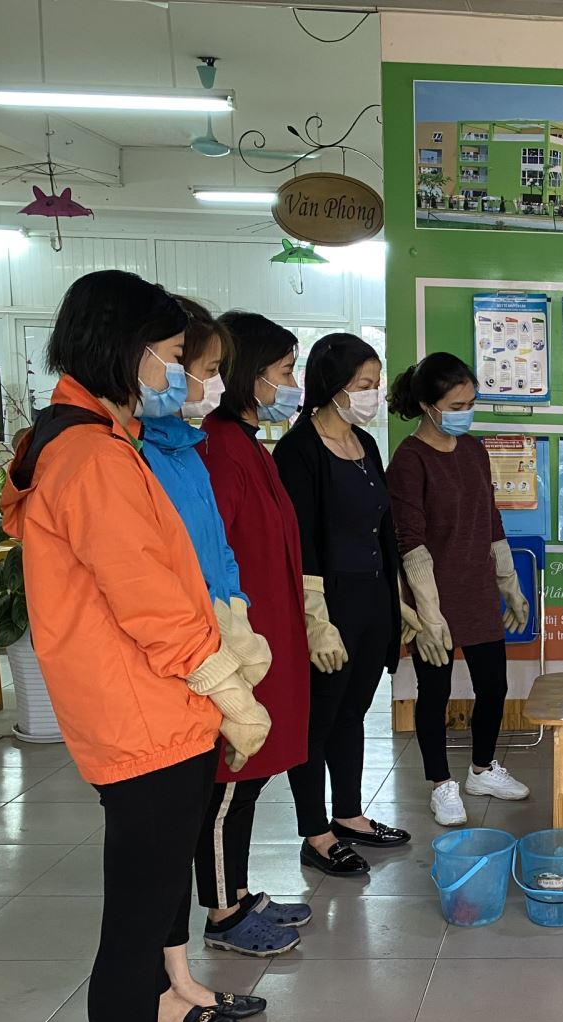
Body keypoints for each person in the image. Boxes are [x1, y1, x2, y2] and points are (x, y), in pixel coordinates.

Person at [0, 270, 256, 1022]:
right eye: (172, 355)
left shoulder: (98, 439)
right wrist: (227, 684)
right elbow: (149, 599)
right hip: (141, 715)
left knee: (153, 912)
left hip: (154, 710)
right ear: (125, 348)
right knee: (134, 926)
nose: (177, 373)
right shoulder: (90, 458)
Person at [136, 298, 293, 1016]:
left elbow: (221, 552)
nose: (208, 383)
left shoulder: (192, 449)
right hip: (176, 666)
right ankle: (206, 935)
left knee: (203, 807)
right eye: (195, 365)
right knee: (192, 815)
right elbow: (159, 580)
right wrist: (220, 662)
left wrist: (241, 622)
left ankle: (183, 973)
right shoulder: (145, 455)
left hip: (220, 639)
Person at [197, 312, 315, 936]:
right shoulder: (219, 448)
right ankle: (223, 911)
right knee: (230, 780)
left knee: (252, 774)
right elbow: (211, 560)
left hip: (269, 638)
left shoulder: (247, 443)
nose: (292, 386)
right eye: (285, 372)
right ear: (250, 375)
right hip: (242, 645)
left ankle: (239, 891)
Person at [273, 332, 408, 875]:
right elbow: (300, 541)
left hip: (372, 597)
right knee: (318, 719)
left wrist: (399, 602)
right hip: (328, 603)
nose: (374, 395)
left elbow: (383, 529)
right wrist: (315, 620)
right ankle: (316, 832)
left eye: (376, 384)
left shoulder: (365, 444)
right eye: (364, 384)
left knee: (354, 711)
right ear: (332, 386)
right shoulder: (298, 451)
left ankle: (349, 814)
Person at [387, 352, 532, 827]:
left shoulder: (473, 451)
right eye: (456, 406)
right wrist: (428, 613)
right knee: (435, 692)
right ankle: (440, 784)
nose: (466, 413)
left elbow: (491, 519)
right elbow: (410, 542)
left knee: (494, 686)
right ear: (427, 406)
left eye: (470, 403)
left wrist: (510, 585)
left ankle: (482, 770)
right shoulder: (409, 460)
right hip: (432, 594)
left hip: (476, 589)